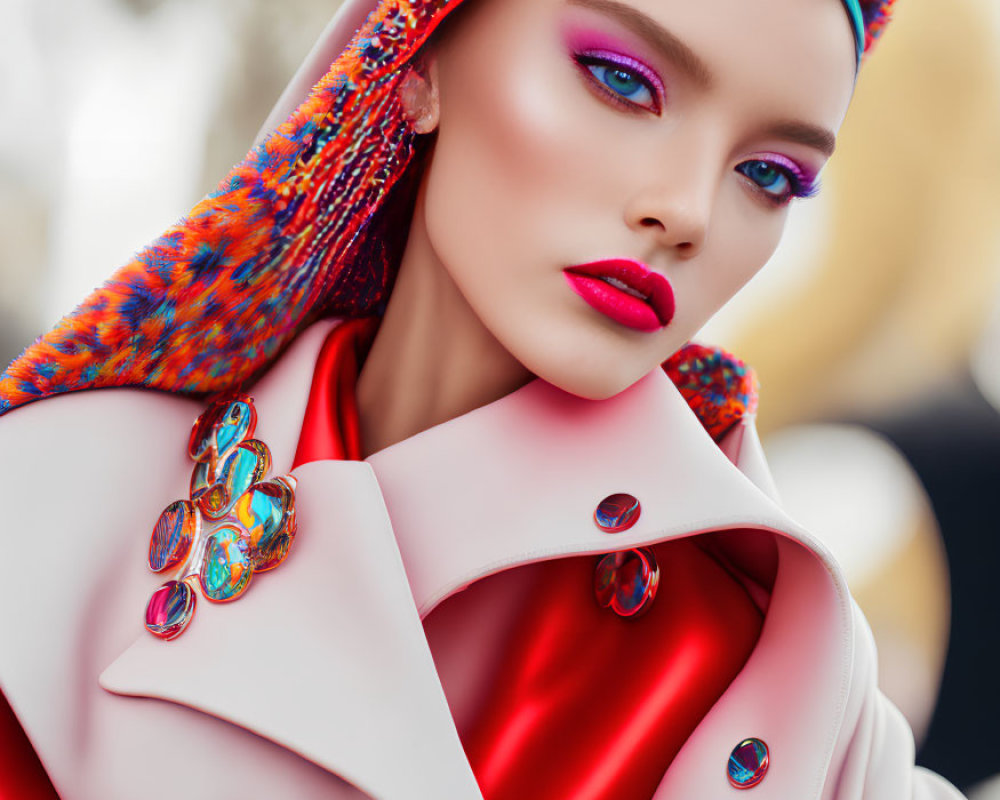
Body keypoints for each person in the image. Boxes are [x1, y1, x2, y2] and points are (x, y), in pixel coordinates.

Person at [0, 0, 964, 797]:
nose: (690, 209)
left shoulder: (780, 666)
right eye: (624, 81)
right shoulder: (59, 509)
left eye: (770, 175)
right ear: (419, 57)